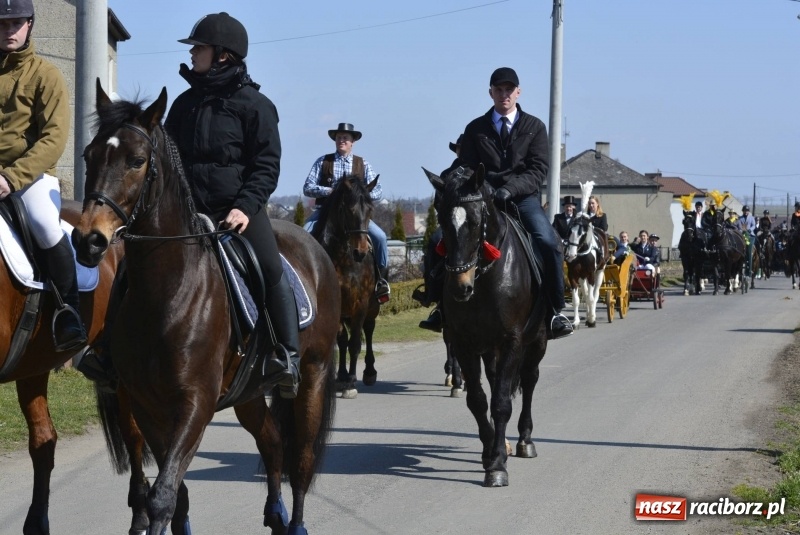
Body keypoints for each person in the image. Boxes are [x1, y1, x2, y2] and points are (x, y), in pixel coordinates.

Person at [163, 12, 300, 398]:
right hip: (189, 212)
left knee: (271, 268)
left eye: (199, 48)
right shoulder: (183, 104)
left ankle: (287, 356)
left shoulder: (255, 105)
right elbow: (171, 161)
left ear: (222, 54)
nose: (193, 54)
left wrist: (244, 206)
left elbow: (266, 166)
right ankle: (109, 351)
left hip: (236, 210)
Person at [458, 67, 572, 339]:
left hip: (522, 199)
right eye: (498, 90)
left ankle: (555, 310)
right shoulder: (475, 128)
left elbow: (537, 169)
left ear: (518, 92)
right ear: (490, 93)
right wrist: (450, 179)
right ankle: (441, 307)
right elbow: (465, 166)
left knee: (548, 241)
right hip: (485, 199)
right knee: (443, 237)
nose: (504, 94)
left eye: (509, 90)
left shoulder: (534, 127)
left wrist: (510, 189)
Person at [0, 0, 85, 352]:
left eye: (15, 23)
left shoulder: (45, 74)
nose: (9, 31)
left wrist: (10, 178)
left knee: (46, 225)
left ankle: (69, 313)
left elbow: (54, 139)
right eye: (2, 24)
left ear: (30, 24)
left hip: (30, 177)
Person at [303, 122, 390, 303]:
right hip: (325, 213)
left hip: (355, 216)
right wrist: (330, 191)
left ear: (352, 142)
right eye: (339, 138)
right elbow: (308, 187)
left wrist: (363, 196)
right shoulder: (323, 161)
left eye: (345, 138)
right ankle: (303, 280)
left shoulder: (362, 163)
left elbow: (379, 189)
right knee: (304, 234)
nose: (341, 140)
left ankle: (381, 280)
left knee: (380, 237)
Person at [418, 135, 464, 332]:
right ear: (456, 151)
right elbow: (438, 203)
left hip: (476, 223)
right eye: (460, 148)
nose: (464, 151)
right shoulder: (447, 174)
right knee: (435, 240)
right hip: (452, 223)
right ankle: (433, 296)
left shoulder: (481, 170)